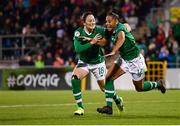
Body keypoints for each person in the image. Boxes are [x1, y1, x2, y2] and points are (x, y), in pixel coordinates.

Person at [97, 12, 166, 115]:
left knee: (140, 88)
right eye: (106, 21)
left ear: (116, 21)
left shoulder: (120, 30)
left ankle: (158, 84)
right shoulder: (117, 28)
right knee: (108, 78)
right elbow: (127, 26)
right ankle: (109, 107)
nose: (107, 23)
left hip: (135, 61)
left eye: (109, 21)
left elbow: (122, 38)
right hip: (124, 59)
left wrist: (114, 51)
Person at [71, 11, 124, 116]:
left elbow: (110, 32)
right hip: (84, 62)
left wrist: (123, 26)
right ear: (84, 23)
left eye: (93, 20)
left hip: (98, 63)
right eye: (90, 21)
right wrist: (92, 42)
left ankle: (117, 99)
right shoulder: (79, 32)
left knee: (104, 88)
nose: (92, 22)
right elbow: (78, 49)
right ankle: (80, 108)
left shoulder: (99, 30)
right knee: (74, 79)